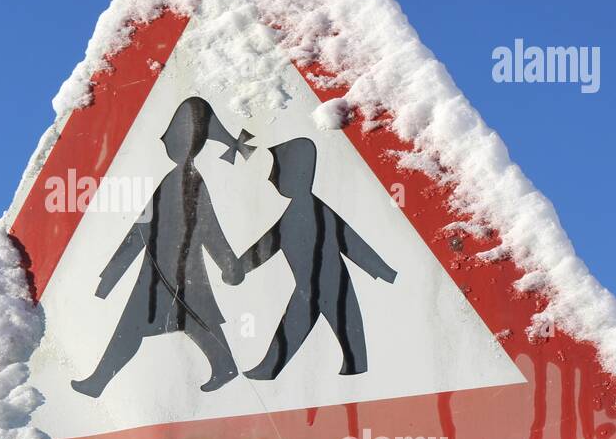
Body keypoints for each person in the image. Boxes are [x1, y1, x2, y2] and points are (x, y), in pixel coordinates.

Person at [71, 97, 254, 398]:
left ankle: (224, 365)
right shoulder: (172, 180)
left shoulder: (190, 181)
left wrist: (228, 263)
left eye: (171, 134)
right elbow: (142, 228)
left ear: (183, 140)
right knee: (148, 325)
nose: (163, 139)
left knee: (190, 319)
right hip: (159, 269)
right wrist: (111, 274)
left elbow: (208, 228)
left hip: (180, 271)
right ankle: (99, 381)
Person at [237, 137, 397, 380]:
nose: (271, 177)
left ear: (295, 173)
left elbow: (351, 242)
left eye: (277, 169)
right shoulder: (295, 215)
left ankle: (352, 366)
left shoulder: (312, 213)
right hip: (314, 284)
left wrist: (384, 271)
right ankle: (350, 365)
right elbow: (266, 245)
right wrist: (239, 267)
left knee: (341, 325)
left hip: (326, 283)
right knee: (323, 324)